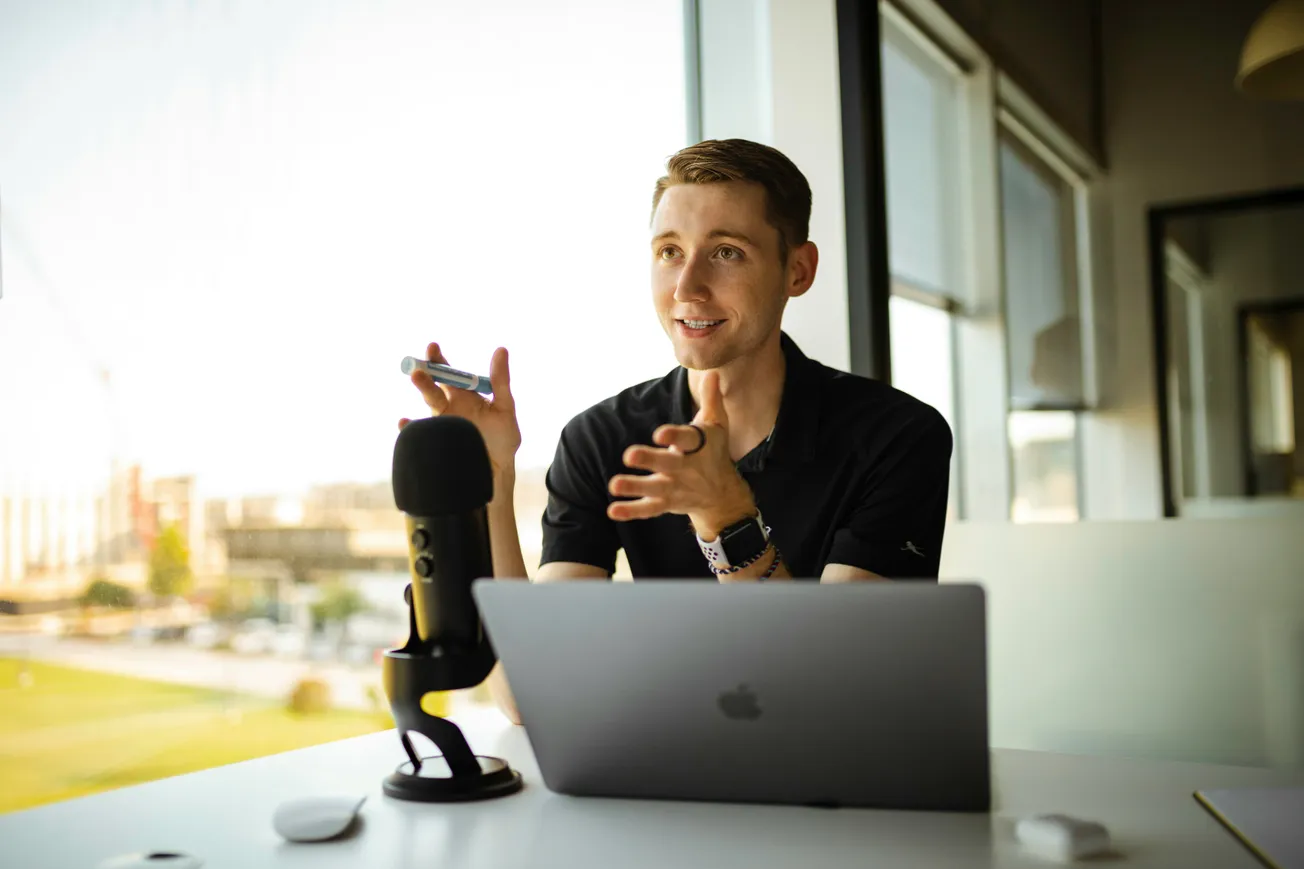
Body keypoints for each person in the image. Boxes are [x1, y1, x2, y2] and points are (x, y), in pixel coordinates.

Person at [399, 139, 952, 722]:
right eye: (669, 251)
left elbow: (834, 692)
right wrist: (491, 482)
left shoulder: (899, 437)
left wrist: (728, 522)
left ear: (798, 269)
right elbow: (532, 695)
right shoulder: (600, 438)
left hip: (827, 793)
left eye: (727, 253)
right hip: (657, 779)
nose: (686, 287)